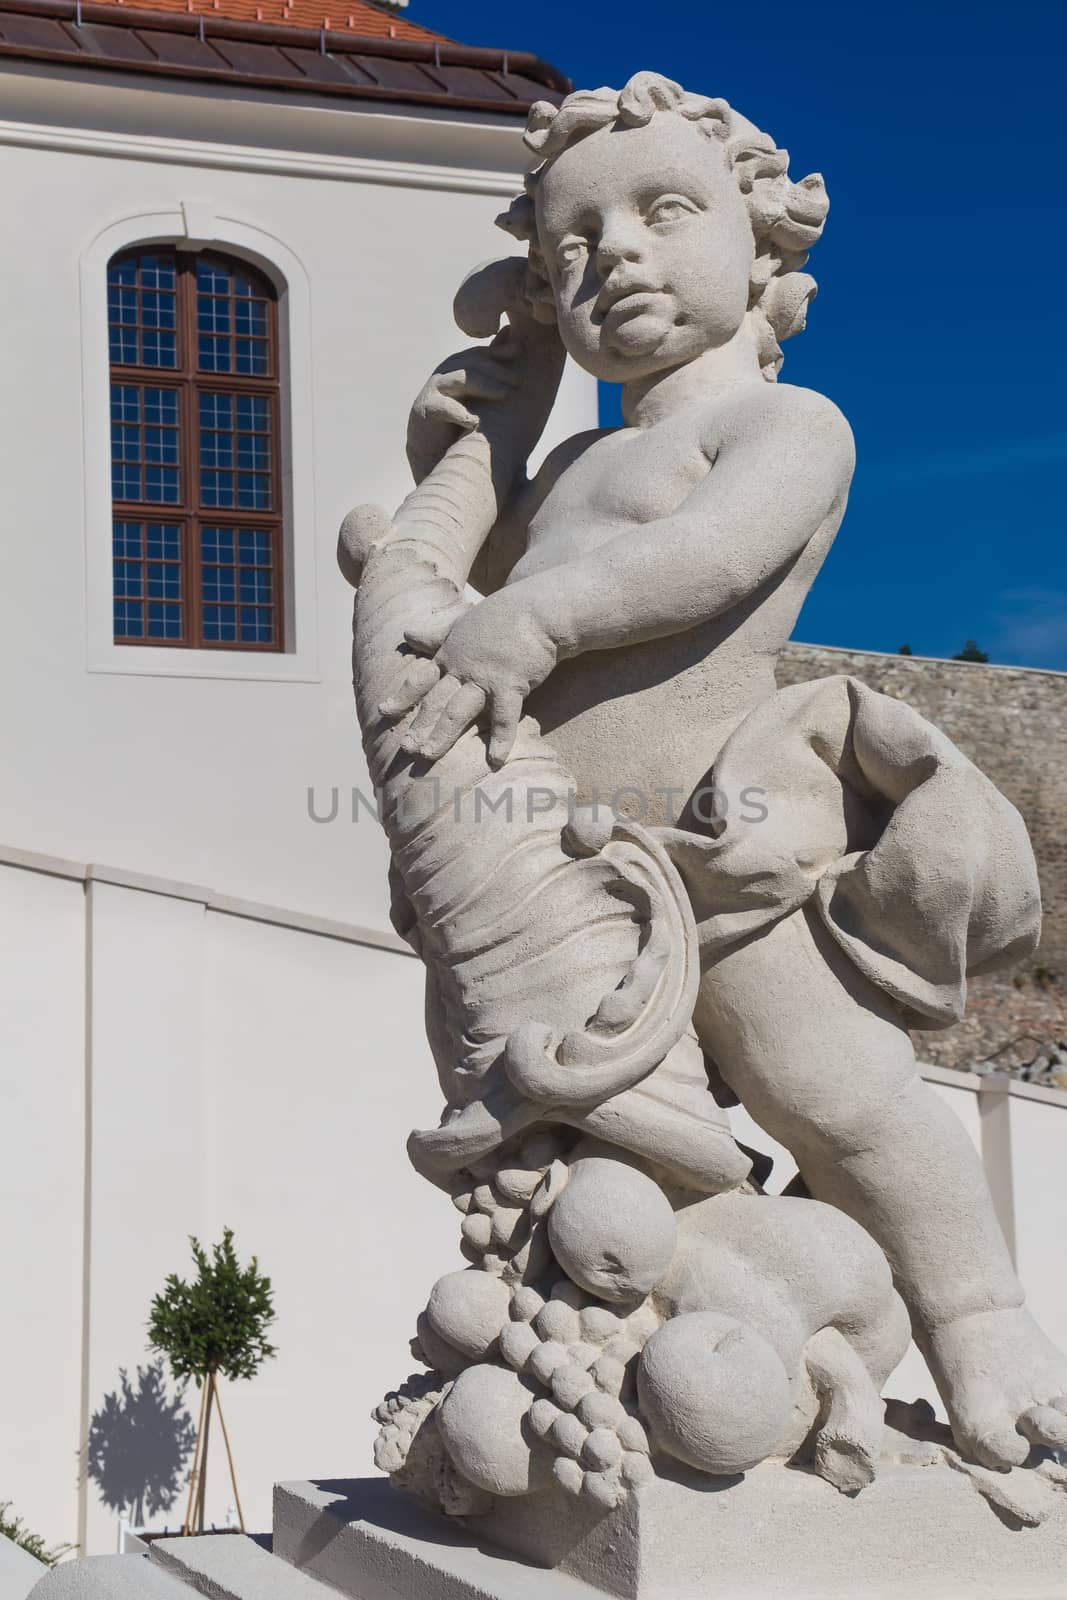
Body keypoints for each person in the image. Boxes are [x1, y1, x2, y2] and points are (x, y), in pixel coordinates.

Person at [383, 72, 1063, 1472]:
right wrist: (453, 471)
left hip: (716, 855)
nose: (611, 252)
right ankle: (682, 1330)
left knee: (840, 1091)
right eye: (570, 245)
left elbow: (705, 559)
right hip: (562, 882)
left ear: (760, 247)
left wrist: (545, 615)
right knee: (593, 1141)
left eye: (661, 211)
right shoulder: (568, 458)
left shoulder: (783, 425)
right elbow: (455, 584)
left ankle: (985, 1323)